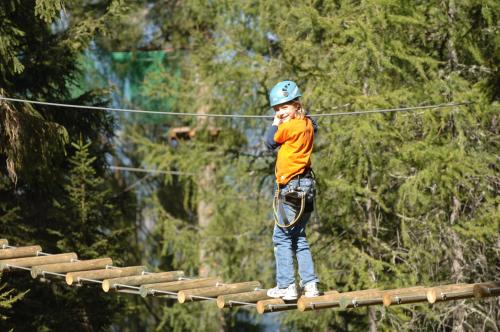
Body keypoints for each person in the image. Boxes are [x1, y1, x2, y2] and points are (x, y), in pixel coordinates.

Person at [264, 80, 320, 300]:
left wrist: (274, 122)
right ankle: (310, 284)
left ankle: (286, 285)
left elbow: (269, 142)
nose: (280, 112)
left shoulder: (288, 127)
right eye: (277, 109)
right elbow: (313, 124)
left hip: (291, 188)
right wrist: (293, 116)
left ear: (297, 104)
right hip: (306, 187)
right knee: (299, 237)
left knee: (282, 238)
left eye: (284, 107)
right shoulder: (306, 124)